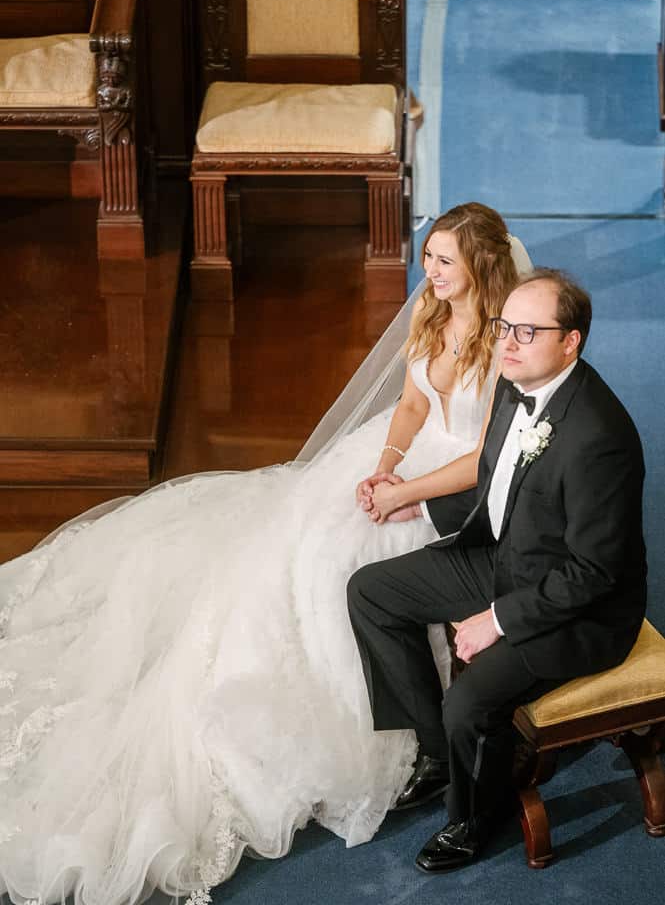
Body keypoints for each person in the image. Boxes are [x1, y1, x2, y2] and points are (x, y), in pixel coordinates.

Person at [0, 204, 526, 905]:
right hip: (404, 464)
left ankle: (405, 736)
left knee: (343, 564)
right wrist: (384, 465)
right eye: (427, 256)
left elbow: (485, 457)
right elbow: (409, 405)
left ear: (480, 267)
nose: (428, 271)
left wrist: (407, 493)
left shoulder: (505, 344)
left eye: (444, 261)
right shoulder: (430, 317)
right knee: (300, 535)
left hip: (454, 487)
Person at [347, 268, 647, 873]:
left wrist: (497, 619)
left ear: (571, 342)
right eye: (504, 326)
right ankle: (439, 755)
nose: (507, 342)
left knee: (469, 702)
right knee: (371, 592)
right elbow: (498, 485)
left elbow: (593, 572)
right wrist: (418, 504)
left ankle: (474, 819)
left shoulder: (599, 436)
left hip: (579, 609)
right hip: (508, 557)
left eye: (527, 331)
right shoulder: (516, 384)